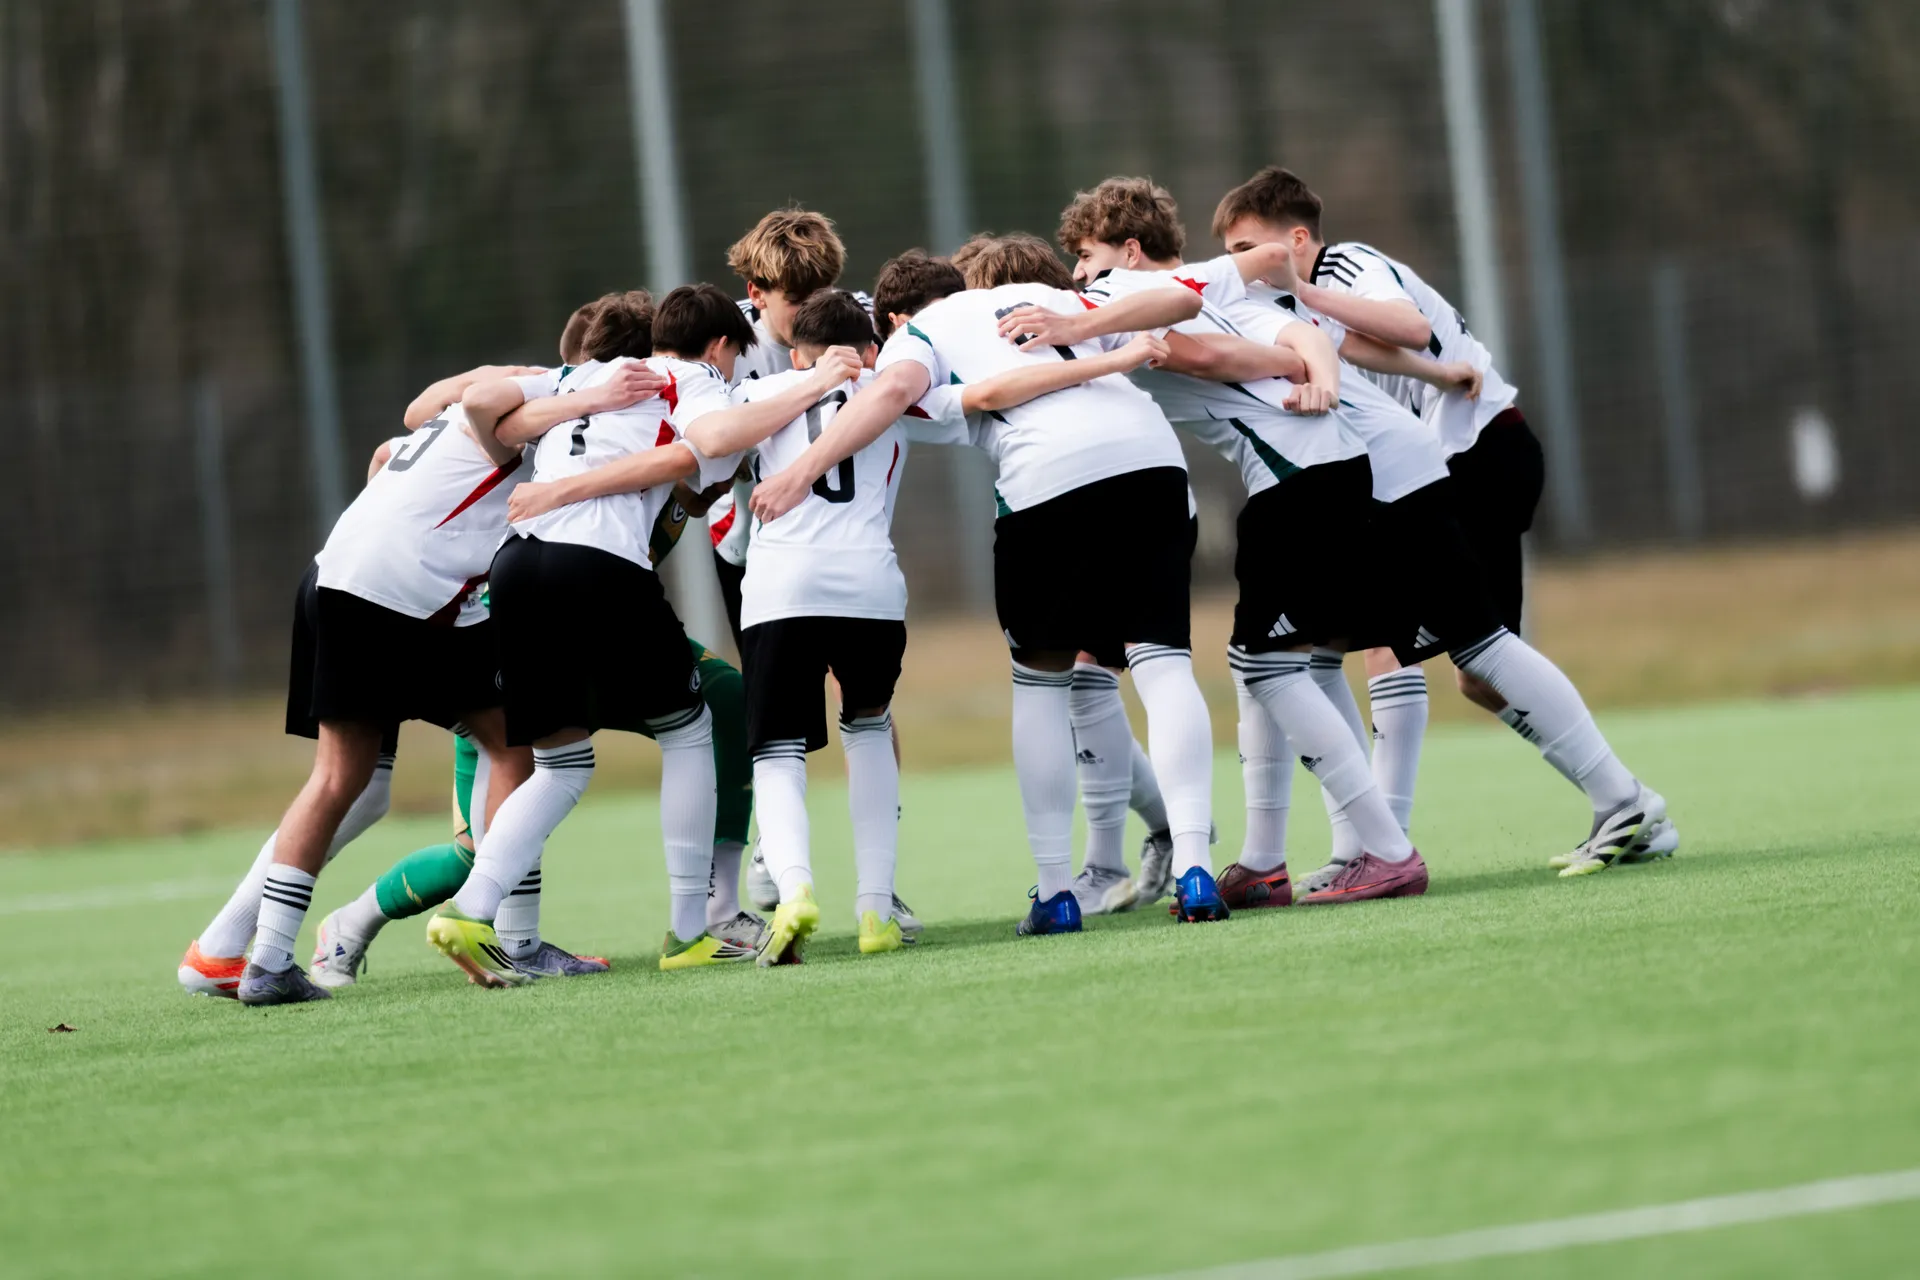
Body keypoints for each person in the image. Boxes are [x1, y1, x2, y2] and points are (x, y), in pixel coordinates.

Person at [1211, 169, 1675, 886]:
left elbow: (1411, 327)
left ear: (1296, 240)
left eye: (1250, 247)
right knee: (1441, 664)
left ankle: (1613, 803)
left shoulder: (1345, 265)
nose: (1240, 264)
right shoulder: (1303, 305)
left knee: (1463, 648)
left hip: (1477, 457)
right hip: (1446, 463)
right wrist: (1437, 377)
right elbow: (1380, 352)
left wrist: (1300, 295)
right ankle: (1622, 805)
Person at [751, 241, 1232, 933]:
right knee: (1162, 659)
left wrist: (800, 472)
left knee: (1040, 681)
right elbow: (1184, 298)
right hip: (1153, 468)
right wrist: (1081, 329)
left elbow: (893, 392)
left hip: (1050, 483)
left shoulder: (918, 336)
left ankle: (1055, 891)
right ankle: (1194, 865)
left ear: (890, 318)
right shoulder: (1058, 299)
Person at [1038, 178, 1475, 909]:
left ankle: (1390, 851)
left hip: (1297, 482)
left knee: (1265, 665)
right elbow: (1293, 334)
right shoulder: (1214, 283)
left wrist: (1076, 332)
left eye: (1085, 256)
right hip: (1326, 472)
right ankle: (1268, 862)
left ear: (1128, 251)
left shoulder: (1120, 300)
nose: (1079, 274)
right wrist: (1306, 366)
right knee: (1280, 660)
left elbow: (1206, 349)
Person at [422, 285, 861, 983]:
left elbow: (487, 415)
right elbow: (712, 445)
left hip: (515, 565)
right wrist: (814, 385)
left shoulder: (584, 375)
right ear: (721, 346)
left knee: (560, 763)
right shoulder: (693, 378)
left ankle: (468, 912)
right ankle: (692, 928)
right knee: (690, 727)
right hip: (595, 565)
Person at [178, 348, 553, 1005]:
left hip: (335, 577)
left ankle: (219, 950)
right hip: (386, 600)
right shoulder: (543, 408)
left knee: (374, 787)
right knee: (366, 772)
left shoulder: (465, 411)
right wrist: (570, 392)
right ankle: (497, 937)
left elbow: (390, 448)